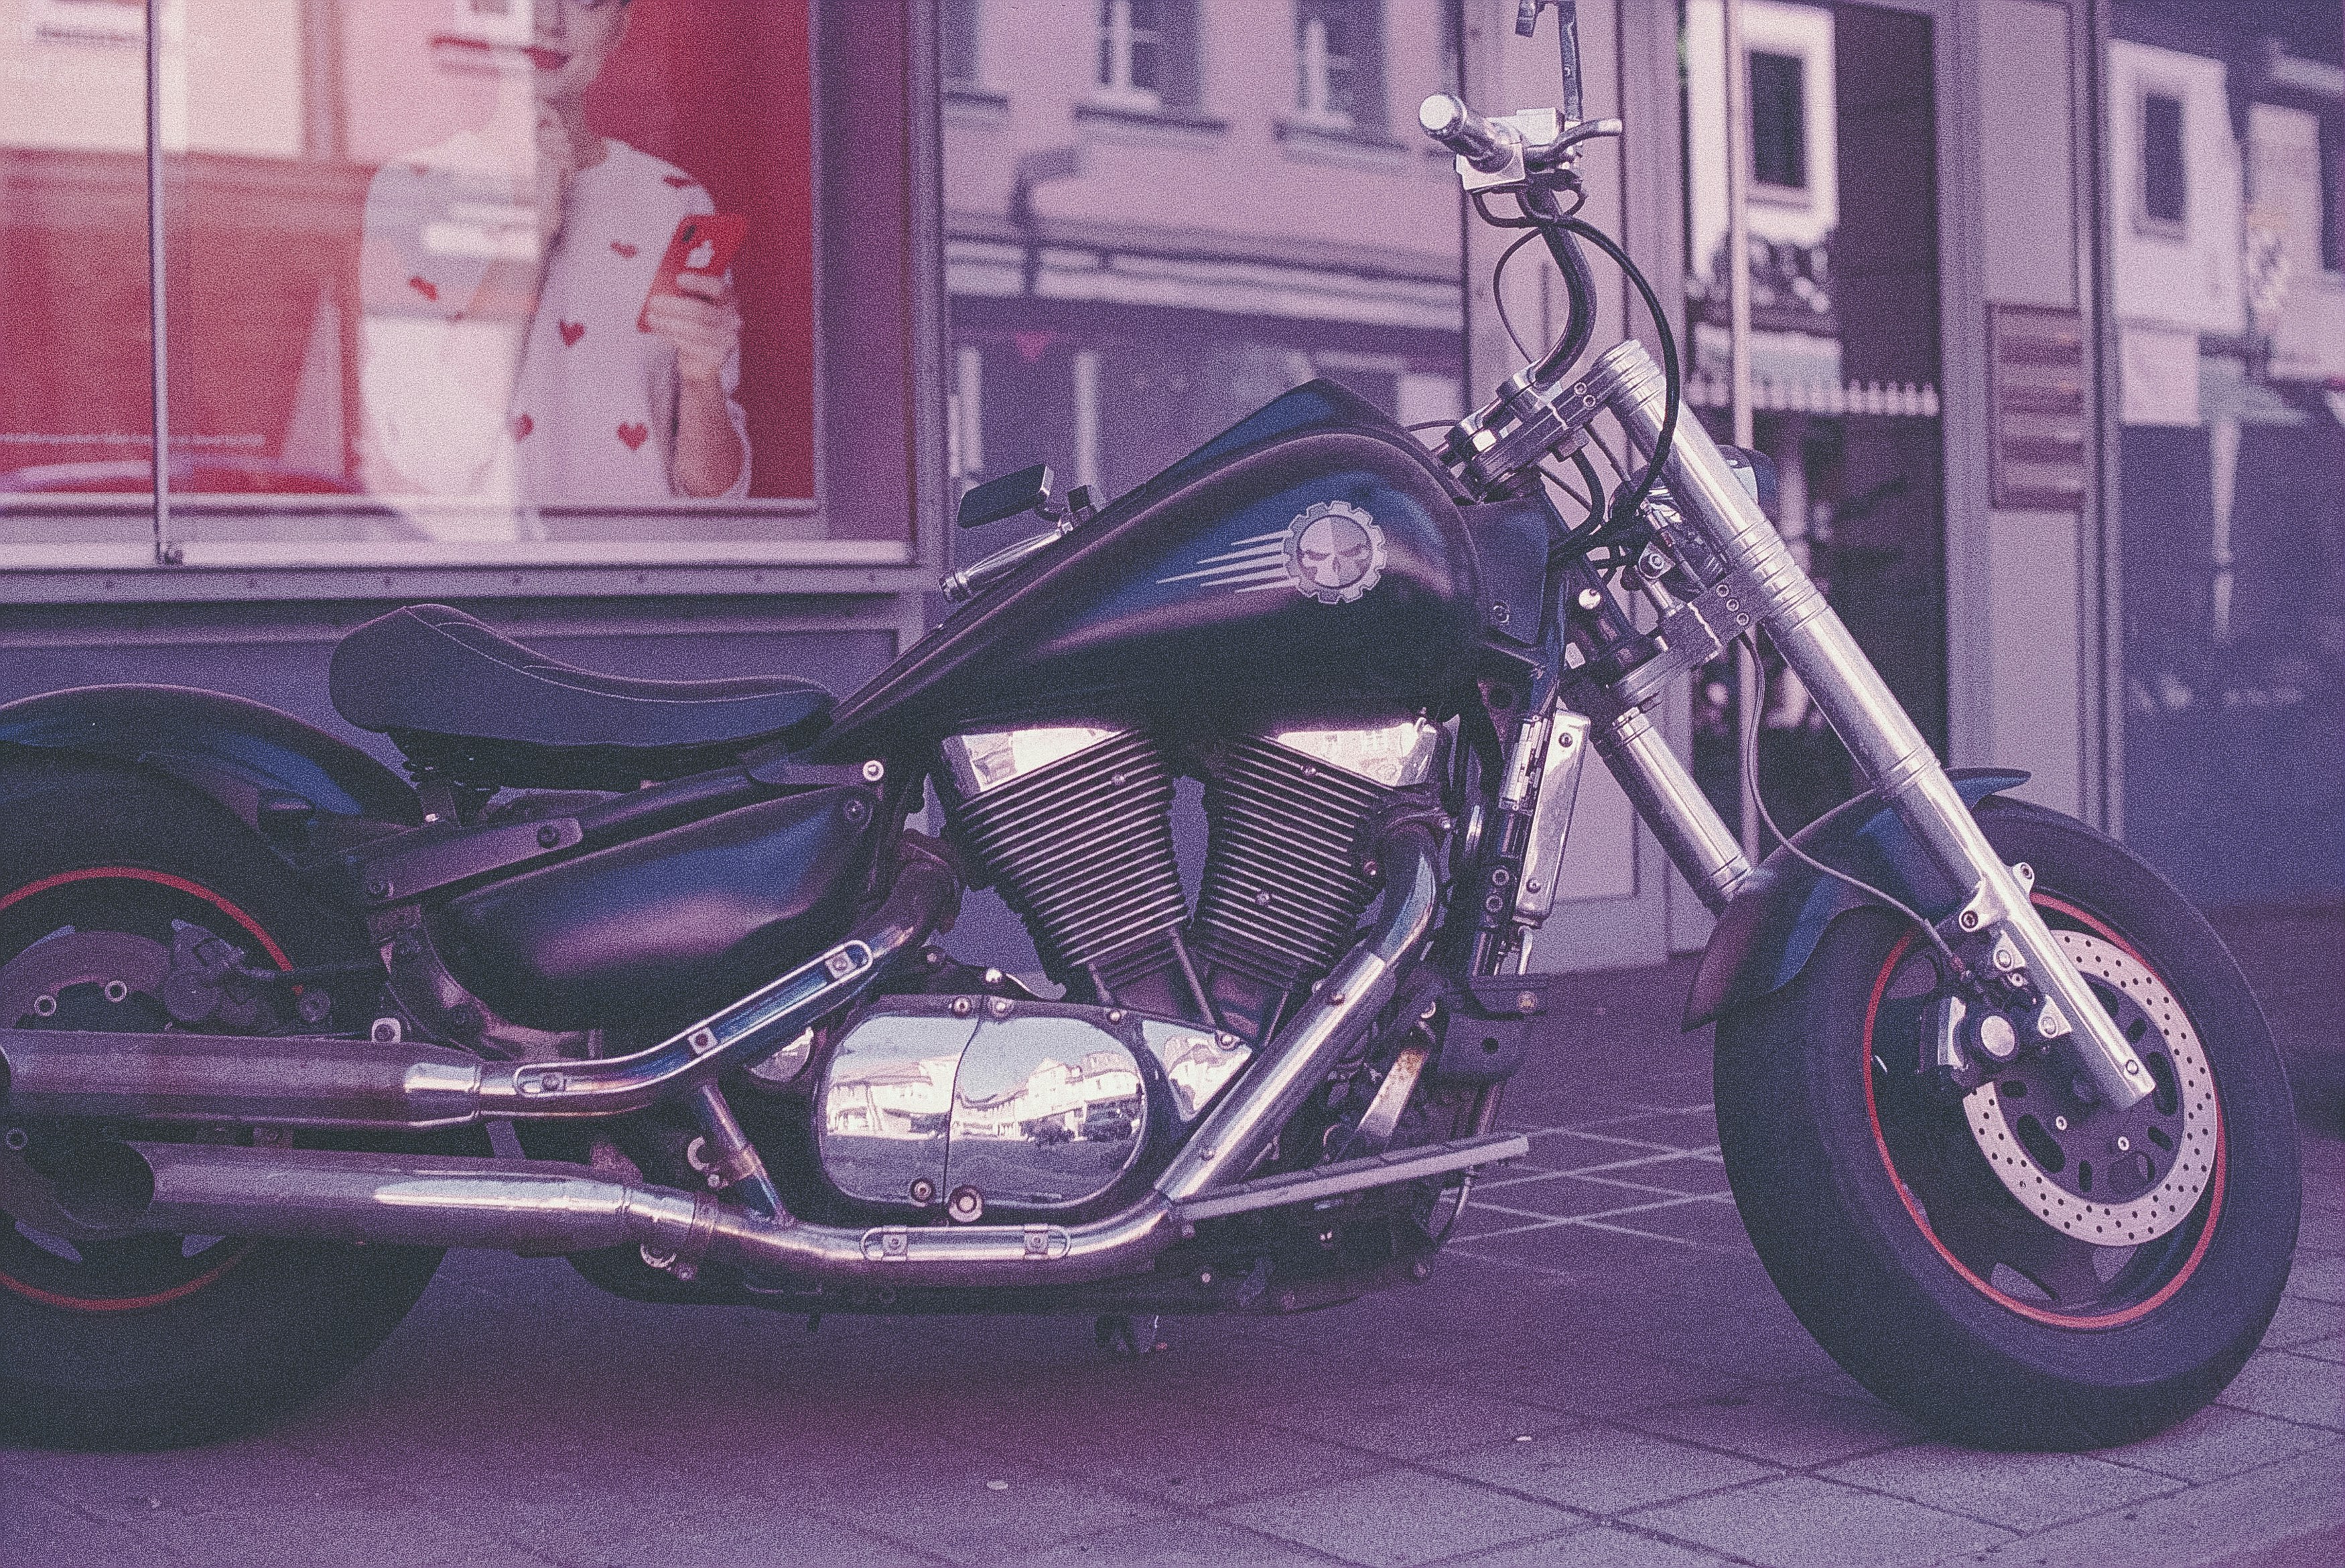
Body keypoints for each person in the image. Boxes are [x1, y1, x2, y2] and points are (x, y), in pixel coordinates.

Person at [357, 0, 748, 526]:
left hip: (640, 572)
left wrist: (702, 380)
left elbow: (718, 501)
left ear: (620, 23)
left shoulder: (676, 200)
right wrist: (528, 232)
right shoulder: (415, 191)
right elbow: (433, 461)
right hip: (490, 574)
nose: (547, 19)